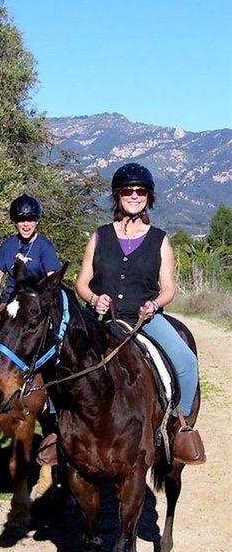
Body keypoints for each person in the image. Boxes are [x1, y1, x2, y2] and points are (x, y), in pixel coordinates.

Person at [76, 162, 199, 420]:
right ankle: (57, 427)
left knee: (187, 363)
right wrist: (94, 298)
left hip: (143, 320)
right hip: (100, 321)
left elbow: (168, 288)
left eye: (141, 191)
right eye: (128, 191)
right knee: (59, 359)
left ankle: (182, 425)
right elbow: (82, 283)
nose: (134, 196)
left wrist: (154, 305)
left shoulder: (160, 240)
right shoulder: (99, 236)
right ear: (117, 195)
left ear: (148, 197)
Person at [0, 194, 61, 303]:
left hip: (37, 304)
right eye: (21, 220)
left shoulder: (45, 246)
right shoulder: (7, 245)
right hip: (10, 302)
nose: (26, 225)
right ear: (15, 222)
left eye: (30, 220)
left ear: (37, 221)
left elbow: (52, 281)